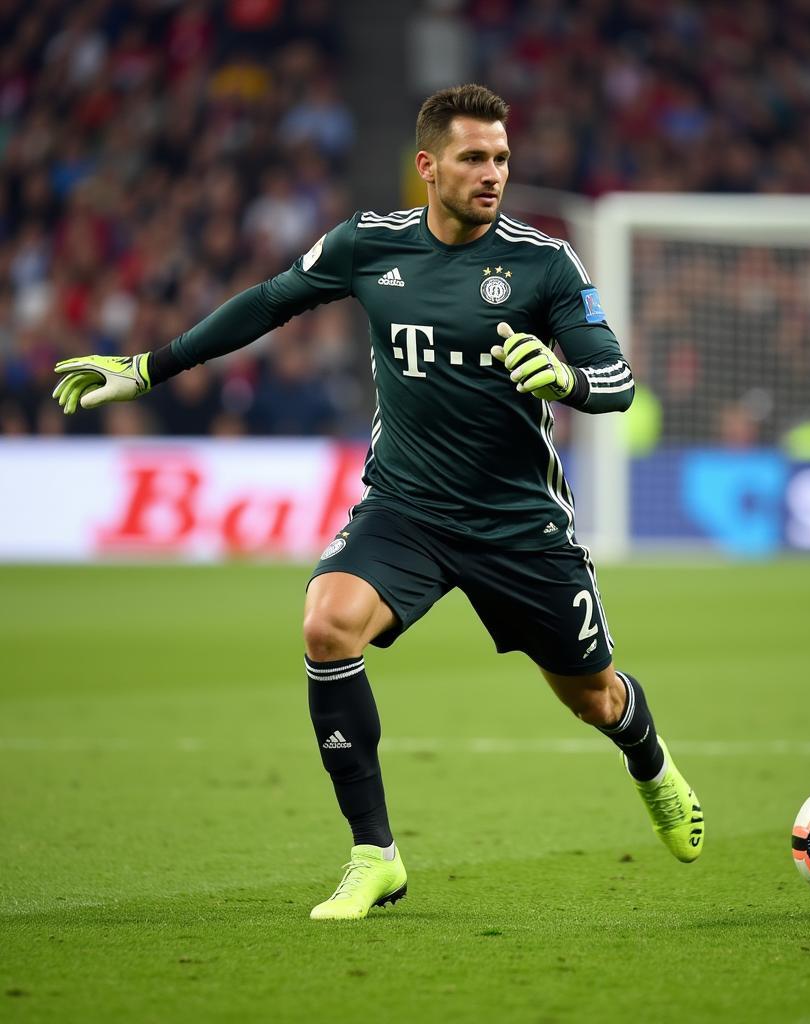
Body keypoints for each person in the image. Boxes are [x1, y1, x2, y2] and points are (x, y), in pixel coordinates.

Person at [51, 84, 705, 921]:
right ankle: (375, 855)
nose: (493, 173)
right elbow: (269, 302)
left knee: (593, 697)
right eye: (474, 157)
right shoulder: (367, 244)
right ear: (427, 167)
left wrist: (569, 378)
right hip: (407, 509)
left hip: (520, 527)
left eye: (502, 158)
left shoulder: (546, 264)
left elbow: (616, 379)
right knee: (327, 622)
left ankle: (649, 762)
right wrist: (148, 367)